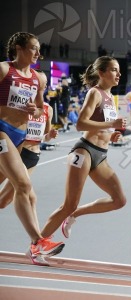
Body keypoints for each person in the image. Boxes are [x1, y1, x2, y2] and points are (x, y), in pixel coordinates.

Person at [40, 56, 127, 243]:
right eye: (113, 69)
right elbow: (80, 124)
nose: (118, 73)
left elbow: (101, 126)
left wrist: (111, 135)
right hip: (84, 151)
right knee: (69, 204)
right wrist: (113, 123)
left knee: (119, 200)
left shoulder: (111, 97)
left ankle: (75, 215)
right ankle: (37, 243)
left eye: (118, 70)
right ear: (101, 73)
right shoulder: (95, 93)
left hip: (101, 155)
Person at [0, 32, 64, 265]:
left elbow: (39, 108)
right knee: (23, 184)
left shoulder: (39, 78)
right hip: (1, 130)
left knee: (16, 191)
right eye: (33, 48)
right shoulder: (4, 70)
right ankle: (38, 242)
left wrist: (33, 111)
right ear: (18, 48)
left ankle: (37, 244)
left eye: (39, 49)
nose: (38, 53)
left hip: (20, 136)